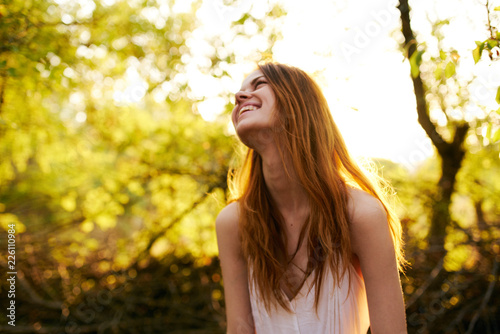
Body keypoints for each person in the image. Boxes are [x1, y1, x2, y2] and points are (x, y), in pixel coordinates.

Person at [215, 62, 407, 334]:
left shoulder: (361, 215)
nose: (239, 96)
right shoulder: (233, 223)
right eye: (240, 91)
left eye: (259, 84)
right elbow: (239, 329)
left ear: (297, 105)